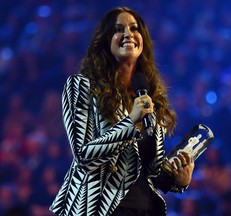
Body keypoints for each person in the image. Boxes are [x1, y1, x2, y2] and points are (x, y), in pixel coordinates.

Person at [49, 7, 194, 216]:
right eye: (119, 29)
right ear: (105, 41)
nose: (128, 34)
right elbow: (84, 157)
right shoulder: (82, 87)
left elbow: (145, 169)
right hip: (99, 208)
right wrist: (130, 121)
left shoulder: (148, 95)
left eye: (134, 29)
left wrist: (177, 180)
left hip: (146, 209)